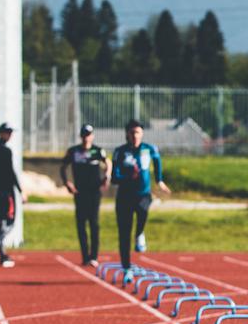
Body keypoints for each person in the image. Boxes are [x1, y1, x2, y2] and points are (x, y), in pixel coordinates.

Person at [112, 119, 171, 284]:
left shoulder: (149, 149)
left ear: (142, 133)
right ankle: (126, 268)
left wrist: (159, 181)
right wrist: (127, 176)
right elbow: (114, 177)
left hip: (143, 194)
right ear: (127, 135)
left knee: (143, 213)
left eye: (137, 132)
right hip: (124, 196)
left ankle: (139, 233)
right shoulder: (120, 152)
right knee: (124, 234)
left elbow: (158, 163)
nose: (134, 136)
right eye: (131, 133)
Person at [60, 123, 111, 267]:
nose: (86, 138)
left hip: (94, 191)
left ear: (92, 136)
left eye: (88, 135)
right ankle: (85, 256)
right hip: (80, 191)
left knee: (94, 223)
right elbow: (63, 167)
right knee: (81, 224)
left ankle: (94, 256)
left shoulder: (97, 151)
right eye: (84, 135)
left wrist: (107, 176)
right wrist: (67, 183)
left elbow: (108, 162)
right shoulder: (73, 151)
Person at [0, 122, 26, 268]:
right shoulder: (6, 151)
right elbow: (11, 173)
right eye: (8, 132)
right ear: (2, 133)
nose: (10, 135)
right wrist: (20, 191)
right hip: (6, 193)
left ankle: (2, 255)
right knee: (10, 222)